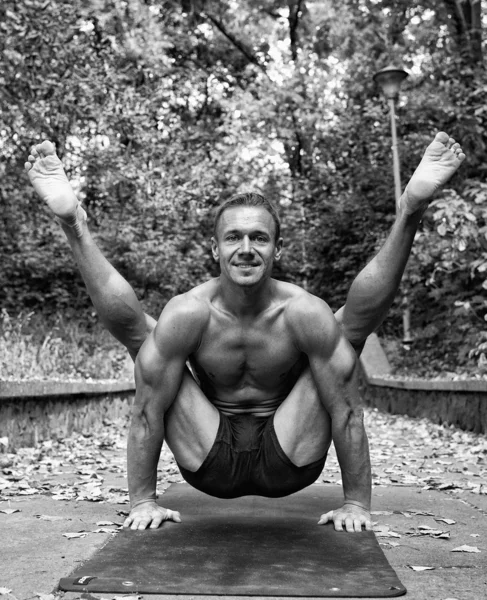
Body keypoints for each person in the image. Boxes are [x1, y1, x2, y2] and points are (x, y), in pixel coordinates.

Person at [25, 132, 465, 533]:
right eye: (234, 237)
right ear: (215, 248)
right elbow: (145, 410)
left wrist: (356, 503)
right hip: (209, 458)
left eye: (259, 237)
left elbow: (347, 409)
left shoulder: (301, 311)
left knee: (339, 336)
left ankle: (411, 209)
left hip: (291, 457)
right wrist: (142, 501)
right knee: (150, 344)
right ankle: (74, 224)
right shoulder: (191, 311)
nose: (247, 249)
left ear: (277, 248)